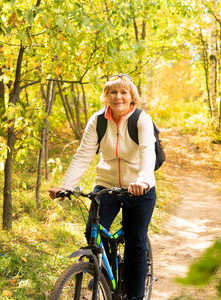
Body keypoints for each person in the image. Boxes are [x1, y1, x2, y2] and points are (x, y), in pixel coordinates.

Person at [49, 74, 157, 300]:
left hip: (138, 188)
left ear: (131, 97)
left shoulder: (141, 119)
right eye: (113, 92)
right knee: (93, 233)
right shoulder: (97, 120)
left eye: (123, 92)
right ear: (106, 96)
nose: (118, 97)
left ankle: (135, 296)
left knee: (135, 243)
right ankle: (107, 280)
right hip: (106, 185)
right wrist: (65, 187)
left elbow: (148, 151)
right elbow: (83, 155)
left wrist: (144, 181)